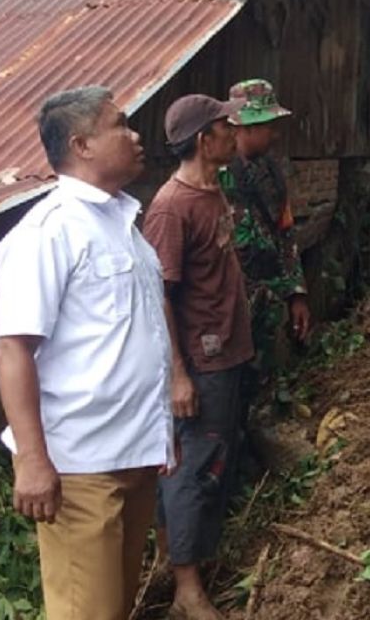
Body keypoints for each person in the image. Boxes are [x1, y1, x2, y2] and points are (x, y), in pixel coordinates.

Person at [0, 86, 174, 620]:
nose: (136, 135)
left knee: (112, 610)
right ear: (82, 145)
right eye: (120, 125)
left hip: (133, 454)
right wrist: (31, 459)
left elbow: (141, 339)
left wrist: (160, 431)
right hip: (81, 468)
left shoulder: (125, 229)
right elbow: (13, 349)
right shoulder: (49, 232)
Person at [142, 93, 253, 620]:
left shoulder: (212, 191)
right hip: (199, 363)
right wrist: (177, 375)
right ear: (205, 140)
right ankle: (187, 590)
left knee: (209, 462)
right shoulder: (171, 207)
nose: (235, 131)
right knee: (192, 468)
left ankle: (174, 564)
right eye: (225, 125)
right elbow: (159, 296)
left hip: (226, 352)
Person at [221, 78, 312, 385]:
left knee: (258, 386)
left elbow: (285, 233)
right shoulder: (212, 174)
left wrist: (295, 293)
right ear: (245, 126)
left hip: (265, 307)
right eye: (268, 125)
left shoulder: (270, 172)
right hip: (225, 314)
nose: (275, 133)